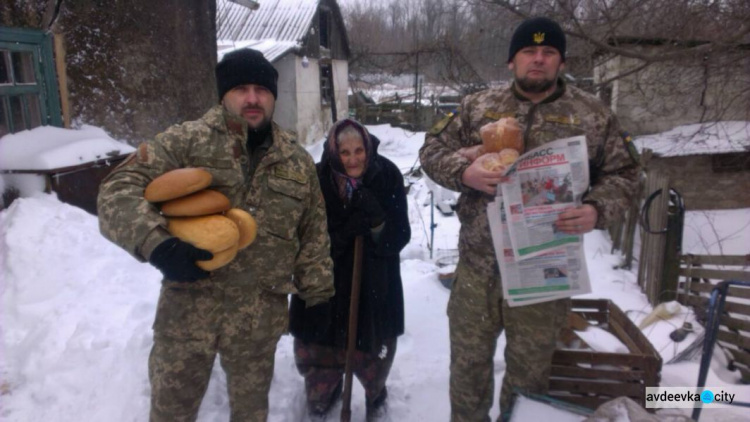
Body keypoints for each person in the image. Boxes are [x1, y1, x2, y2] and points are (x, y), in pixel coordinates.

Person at [419, 17, 639, 422]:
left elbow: (624, 175)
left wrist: (596, 209)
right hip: (479, 268)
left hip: (543, 271)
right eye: (529, 52)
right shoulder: (479, 107)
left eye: (548, 52)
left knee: (529, 378)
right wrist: (463, 171)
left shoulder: (592, 116)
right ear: (511, 61)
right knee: (468, 372)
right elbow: (431, 149)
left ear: (561, 61)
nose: (538, 59)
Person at [97, 48, 334, 422]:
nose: (253, 98)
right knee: (171, 413)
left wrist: (318, 298)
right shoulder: (187, 142)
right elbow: (116, 190)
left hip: (259, 318)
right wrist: (157, 245)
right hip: (189, 311)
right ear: (224, 94)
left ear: (274, 95)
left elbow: (313, 230)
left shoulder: (296, 160)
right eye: (241, 88)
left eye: (261, 89)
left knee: (251, 415)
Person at [289, 119, 411, 421]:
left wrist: (377, 222)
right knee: (320, 353)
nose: (354, 159)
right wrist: (341, 234)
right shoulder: (316, 180)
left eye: (359, 151)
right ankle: (324, 396)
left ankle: (375, 395)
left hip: (374, 284)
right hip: (325, 285)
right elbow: (302, 239)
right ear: (333, 151)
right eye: (345, 153)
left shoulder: (387, 176)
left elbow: (400, 235)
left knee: (373, 354)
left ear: (368, 149)